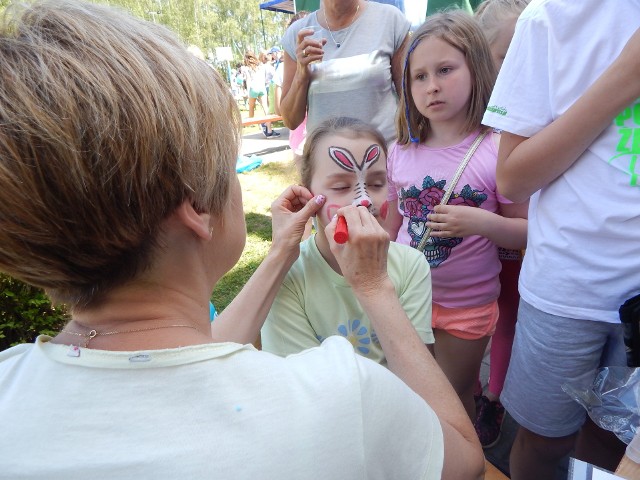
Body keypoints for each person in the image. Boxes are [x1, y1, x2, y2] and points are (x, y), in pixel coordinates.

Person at [0, 1, 485, 478]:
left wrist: (279, 255)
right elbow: (464, 460)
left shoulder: (10, 385)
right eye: (228, 165)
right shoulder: (340, 399)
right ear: (196, 210)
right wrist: (375, 289)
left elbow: (191, 355)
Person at [482, 0, 640, 476]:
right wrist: (625, 78)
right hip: (569, 287)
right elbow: (511, 178)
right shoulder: (550, 16)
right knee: (545, 439)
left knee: (617, 443)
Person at [383, 10, 528, 422]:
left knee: (452, 396)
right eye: (419, 76)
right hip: (408, 297)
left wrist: (481, 223)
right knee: (412, 390)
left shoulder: (497, 149)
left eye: (445, 70)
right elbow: (393, 225)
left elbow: (529, 231)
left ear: (475, 67)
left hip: (467, 307)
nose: (432, 86)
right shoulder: (400, 151)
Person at [261, 117, 435, 363]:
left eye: (377, 183)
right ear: (306, 196)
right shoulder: (288, 276)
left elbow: (422, 377)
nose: (364, 200)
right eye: (341, 186)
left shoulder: (411, 265)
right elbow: (304, 386)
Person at [471, 0, 530, 449]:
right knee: (466, 317)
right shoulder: (468, 120)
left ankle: (492, 398)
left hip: (517, 238)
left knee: (507, 313)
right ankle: (471, 389)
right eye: (509, 53)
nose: (524, 62)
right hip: (464, 254)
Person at [279, 0, 410, 144]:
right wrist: (301, 74)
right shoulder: (298, 33)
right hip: (325, 162)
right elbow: (291, 120)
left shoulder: (390, 20)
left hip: (383, 159)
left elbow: (411, 99)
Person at [244, 50, 279, 138]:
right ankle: (269, 130)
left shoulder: (247, 68)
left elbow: (248, 80)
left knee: (251, 107)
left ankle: (250, 123)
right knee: (266, 108)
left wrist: (249, 93)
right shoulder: (261, 65)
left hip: (253, 88)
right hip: (262, 87)